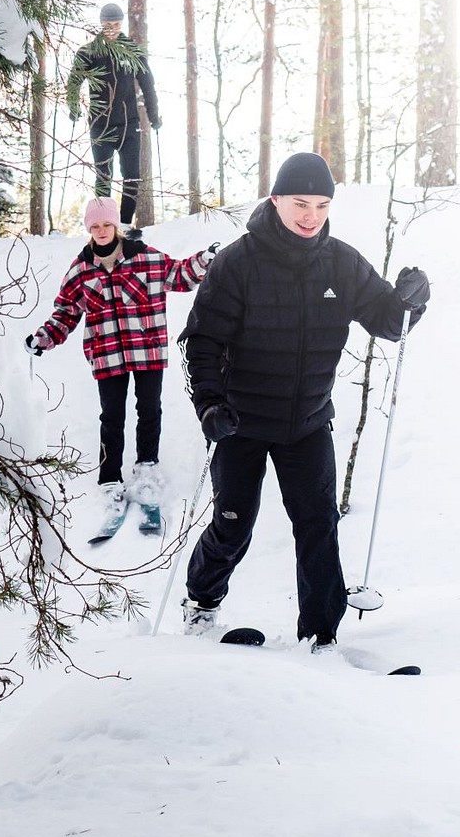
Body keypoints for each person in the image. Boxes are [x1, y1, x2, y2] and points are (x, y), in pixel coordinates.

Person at [176, 152, 430, 648]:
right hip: (239, 422)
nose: (311, 215)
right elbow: (200, 340)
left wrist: (410, 302)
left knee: (318, 526)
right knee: (232, 526)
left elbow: (387, 320)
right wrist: (209, 404)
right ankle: (201, 605)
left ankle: (320, 633)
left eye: (321, 204)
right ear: (275, 200)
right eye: (300, 203)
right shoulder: (238, 261)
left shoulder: (342, 262)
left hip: (308, 422)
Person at [26, 196, 217, 523]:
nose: (101, 231)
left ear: (116, 226)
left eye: (106, 225)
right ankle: (110, 478)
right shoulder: (81, 269)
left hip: (147, 348)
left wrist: (205, 260)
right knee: (111, 416)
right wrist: (45, 338)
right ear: (89, 229)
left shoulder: (145, 259)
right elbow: (66, 312)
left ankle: (146, 470)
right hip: (107, 351)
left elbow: (180, 274)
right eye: (95, 226)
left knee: (149, 409)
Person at [66, 3, 160, 240]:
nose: (112, 30)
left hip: (129, 124)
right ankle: (104, 226)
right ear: (101, 24)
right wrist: (73, 106)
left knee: (132, 175)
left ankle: (126, 226)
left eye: (116, 25)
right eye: (107, 25)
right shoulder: (88, 52)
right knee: (103, 176)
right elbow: (74, 81)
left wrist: (154, 115)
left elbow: (148, 85)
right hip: (101, 125)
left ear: (122, 24)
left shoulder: (133, 52)